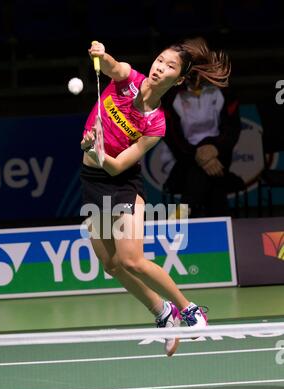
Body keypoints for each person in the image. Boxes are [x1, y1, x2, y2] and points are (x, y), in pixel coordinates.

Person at [80, 39, 230, 356]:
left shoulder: (156, 123)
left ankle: (190, 310)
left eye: (170, 66)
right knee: (111, 265)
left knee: (131, 259)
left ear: (177, 81)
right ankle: (163, 313)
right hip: (92, 179)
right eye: (160, 59)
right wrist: (101, 53)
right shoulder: (128, 79)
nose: (160, 66)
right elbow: (112, 65)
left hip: (121, 182)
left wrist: (98, 150)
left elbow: (119, 164)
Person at [162, 37, 241, 217]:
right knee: (211, 183)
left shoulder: (224, 91)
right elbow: (173, 138)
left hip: (219, 154)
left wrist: (213, 148)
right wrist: (197, 154)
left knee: (202, 176)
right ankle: (222, 226)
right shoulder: (170, 96)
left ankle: (184, 210)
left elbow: (232, 129)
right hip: (184, 157)